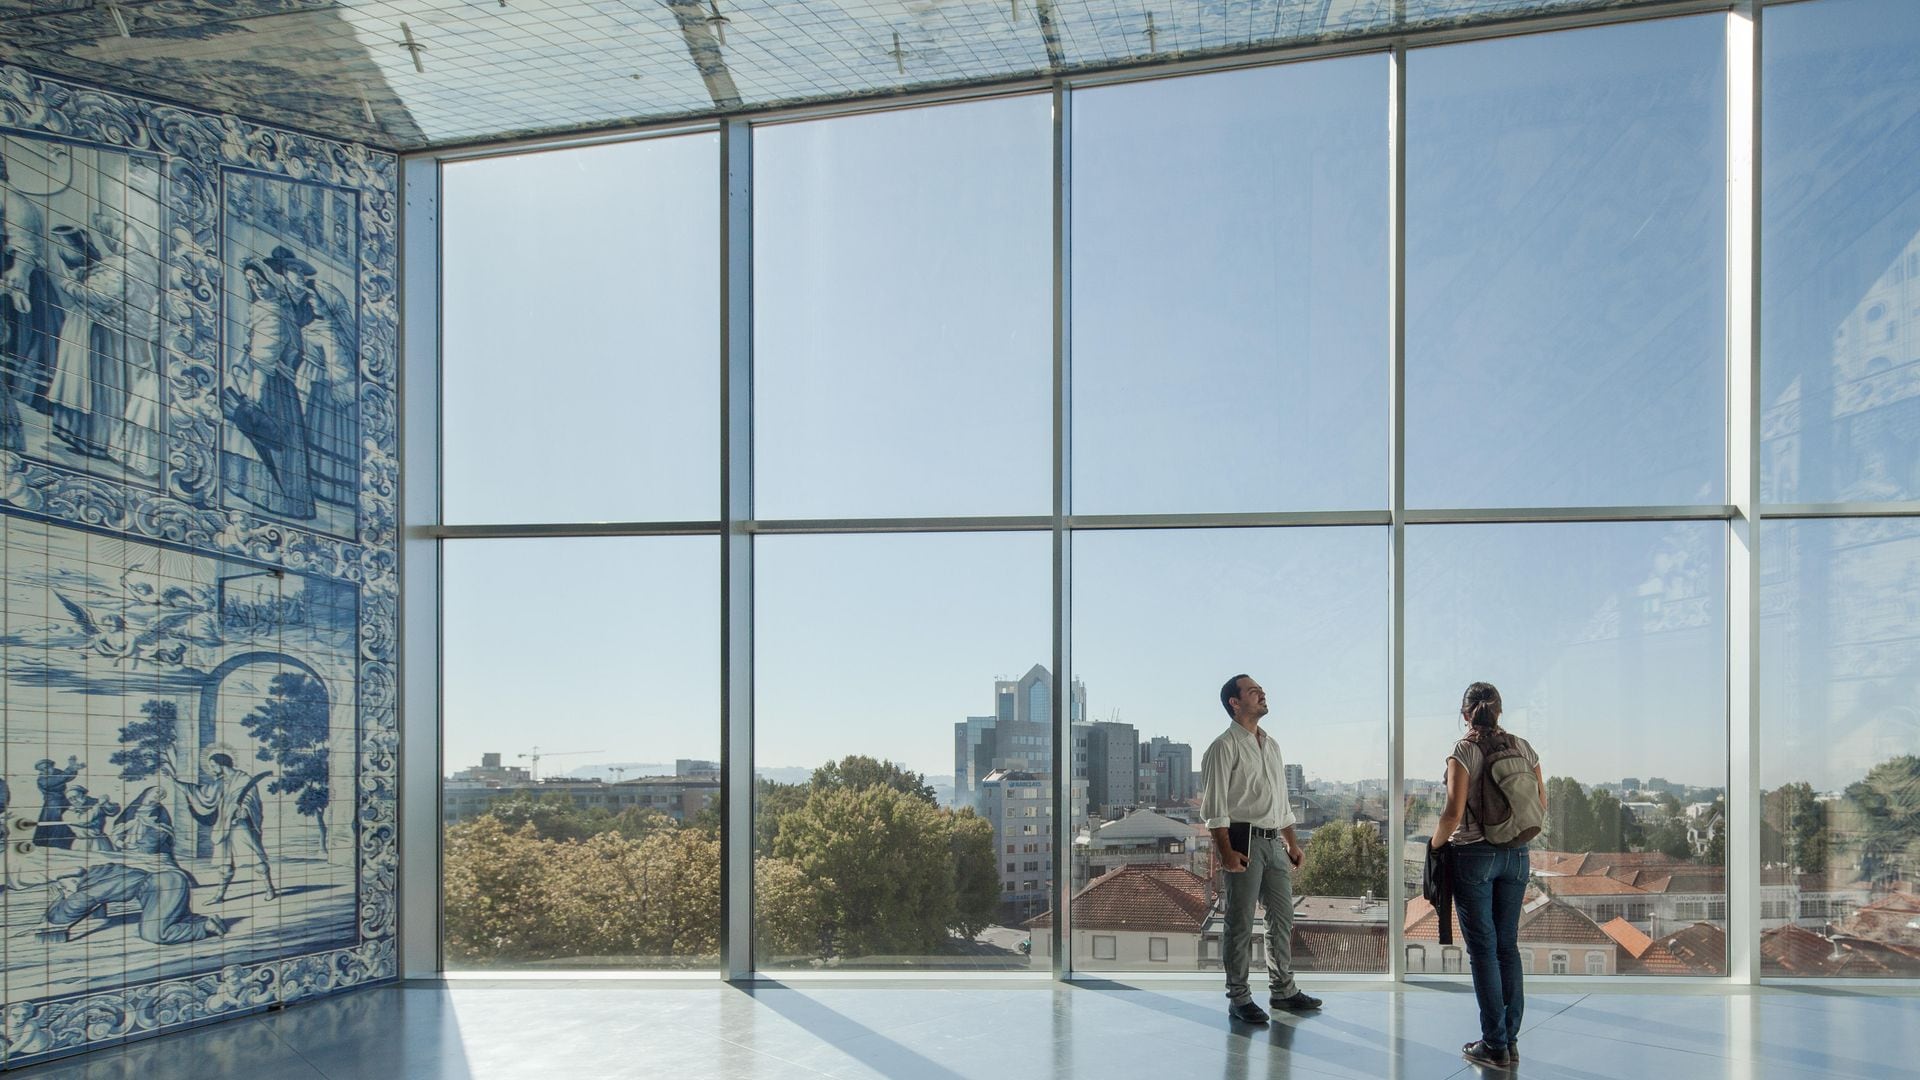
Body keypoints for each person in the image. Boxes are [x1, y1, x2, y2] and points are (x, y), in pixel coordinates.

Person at [1430, 682, 1546, 1069]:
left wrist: (1433, 845)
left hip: (1475, 855)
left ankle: (1493, 1044)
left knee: (1483, 950)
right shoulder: (1523, 747)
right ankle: (1509, 1042)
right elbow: (1540, 804)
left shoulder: (1463, 751)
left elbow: (1452, 813)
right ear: (1499, 711)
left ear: (1465, 714)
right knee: (1507, 946)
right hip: (1517, 854)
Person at [1202, 674, 1321, 1024]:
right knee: (1239, 924)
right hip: (1243, 841)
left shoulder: (1272, 745)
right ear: (1235, 703)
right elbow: (1215, 809)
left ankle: (1283, 991)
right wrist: (1226, 852)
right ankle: (1239, 998)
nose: (1262, 694)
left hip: (1274, 844)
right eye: (1253, 691)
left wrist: (1292, 843)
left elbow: (1281, 802)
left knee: (1281, 919)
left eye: (1261, 690)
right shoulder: (1222, 747)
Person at [40, 791, 227, 945]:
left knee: (155, 934)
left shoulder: (89, 889)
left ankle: (205, 927)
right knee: (166, 914)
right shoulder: (100, 872)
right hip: (157, 886)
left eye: (65, 887)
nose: (66, 891)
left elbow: (63, 914)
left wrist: (57, 901)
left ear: (74, 880)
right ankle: (202, 921)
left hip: (164, 883)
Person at [222, 258, 315, 519]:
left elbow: (265, 357)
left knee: (261, 430)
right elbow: (251, 348)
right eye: (252, 282)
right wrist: (240, 367)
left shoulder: (273, 312)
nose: (257, 287)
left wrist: (255, 392)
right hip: (269, 380)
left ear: (271, 281)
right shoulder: (265, 308)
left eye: (260, 281)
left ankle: (276, 500)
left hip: (268, 386)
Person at [167, 751, 277, 902]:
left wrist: (244, 809)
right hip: (223, 824)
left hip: (240, 824)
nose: (212, 769)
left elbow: (251, 797)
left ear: (221, 764)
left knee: (256, 859)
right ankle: (219, 895)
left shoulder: (243, 778)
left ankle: (270, 889)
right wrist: (176, 782)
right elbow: (201, 793)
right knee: (225, 864)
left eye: (213, 765)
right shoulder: (220, 782)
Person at [31, 757, 83, 849]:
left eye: (47, 767)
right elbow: (59, 779)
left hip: (63, 799)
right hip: (52, 802)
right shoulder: (42, 779)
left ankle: (67, 841)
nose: (45, 771)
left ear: (52, 766)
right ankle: (53, 844)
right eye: (42, 770)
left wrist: (74, 769)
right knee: (53, 821)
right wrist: (70, 767)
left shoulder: (57, 772)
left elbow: (68, 777)